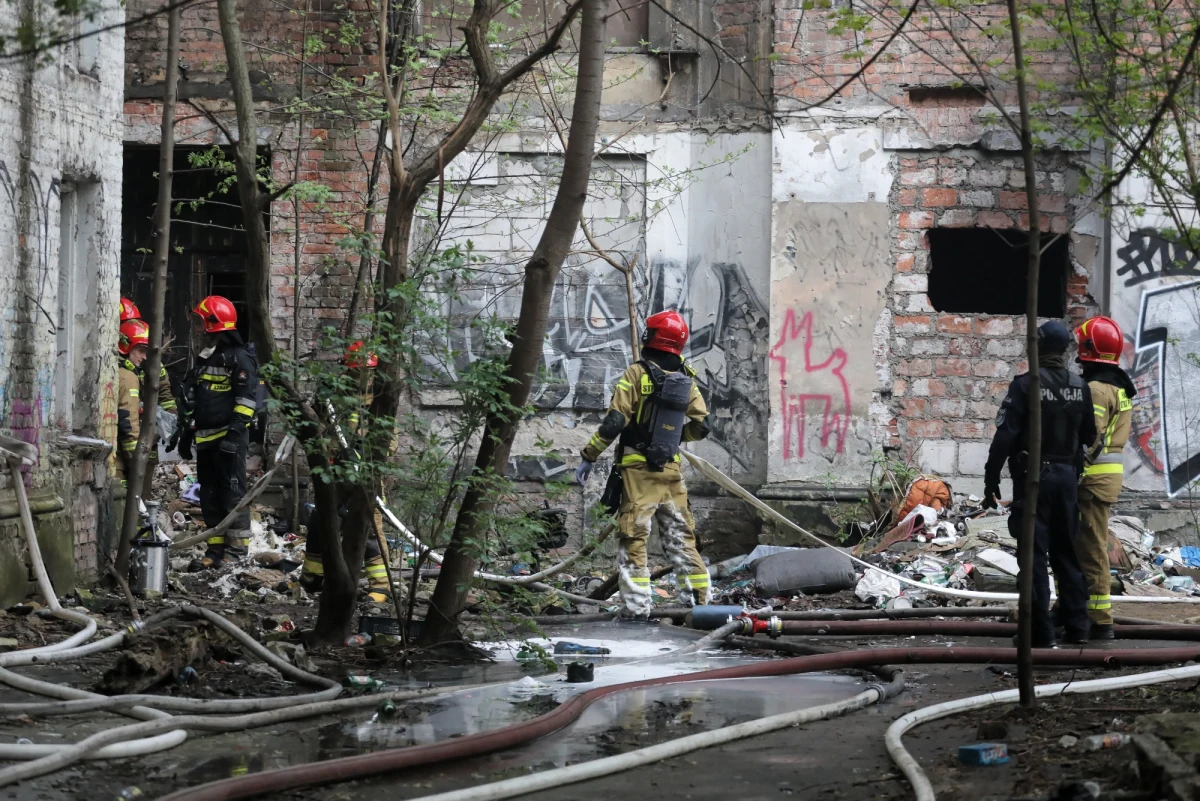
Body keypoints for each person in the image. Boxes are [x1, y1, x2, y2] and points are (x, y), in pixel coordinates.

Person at [575, 310, 712, 618]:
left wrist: (589, 455)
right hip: (671, 470)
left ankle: (636, 612)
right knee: (682, 540)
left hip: (638, 471)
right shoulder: (686, 378)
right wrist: (673, 438)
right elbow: (703, 426)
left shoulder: (637, 373)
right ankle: (701, 608)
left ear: (654, 336)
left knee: (634, 538)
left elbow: (615, 422)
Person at [984, 320, 1096, 647]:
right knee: (1067, 553)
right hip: (1067, 480)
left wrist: (991, 479)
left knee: (1033, 556)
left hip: (1034, 480)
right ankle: (1078, 627)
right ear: (1064, 350)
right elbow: (1089, 435)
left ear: (1037, 346)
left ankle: (1040, 632)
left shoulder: (1026, 385)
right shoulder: (1080, 386)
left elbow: (1004, 437)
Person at [300, 341, 392, 603]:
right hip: (336, 471)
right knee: (321, 521)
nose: (366, 377)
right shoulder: (335, 396)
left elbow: (390, 443)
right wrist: (320, 400)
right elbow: (316, 425)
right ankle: (313, 576)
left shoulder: (380, 400)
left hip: (365, 475)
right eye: (360, 371)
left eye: (369, 372)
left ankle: (382, 586)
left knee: (368, 527)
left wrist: (363, 447)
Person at [179, 296, 259, 570]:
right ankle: (215, 551)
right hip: (206, 439)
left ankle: (235, 553)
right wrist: (187, 432)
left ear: (214, 323)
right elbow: (196, 398)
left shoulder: (240, 359)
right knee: (209, 495)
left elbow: (246, 403)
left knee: (232, 494)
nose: (198, 327)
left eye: (201, 321)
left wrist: (233, 437)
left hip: (228, 440)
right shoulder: (206, 358)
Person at [1074, 316, 1136, 640]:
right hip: (1102, 480)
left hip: (1092, 481)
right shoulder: (1117, 385)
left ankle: (1100, 620)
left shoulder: (1097, 389)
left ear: (1088, 349)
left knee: (1091, 549)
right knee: (1082, 546)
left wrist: (1072, 470)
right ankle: (1075, 609)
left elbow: (1090, 437)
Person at [117, 310, 178, 500]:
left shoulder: (153, 365)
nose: (144, 357)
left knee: (143, 488)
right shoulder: (123, 374)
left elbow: (166, 395)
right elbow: (126, 417)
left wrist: (170, 426)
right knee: (125, 490)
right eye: (141, 351)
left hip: (148, 435)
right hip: (126, 439)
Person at [113, 321, 146, 489]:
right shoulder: (129, 377)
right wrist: (135, 461)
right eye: (141, 350)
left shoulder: (114, 370)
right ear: (127, 348)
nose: (144, 357)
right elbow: (128, 422)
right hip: (119, 459)